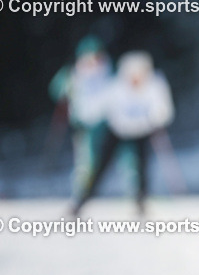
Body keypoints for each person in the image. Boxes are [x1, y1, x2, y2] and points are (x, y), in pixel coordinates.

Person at [73, 51, 174, 214]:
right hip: (118, 130)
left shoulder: (154, 84)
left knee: (141, 167)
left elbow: (163, 109)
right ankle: (82, 199)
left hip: (142, 130)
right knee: (100, 166)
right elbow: (96, 107)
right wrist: (81, 115)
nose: (135, 78)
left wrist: (155, 119)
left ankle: (141, 201)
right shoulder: (116, 87)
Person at [49, 36, 114, 196]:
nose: (93, 60)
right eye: (89, 56)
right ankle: (82, 193)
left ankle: (134, 191)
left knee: (118, 158)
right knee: (86, 161)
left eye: (96, 56)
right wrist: (63, 88)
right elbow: (56, 90)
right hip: (84, 123)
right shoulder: (73, 74)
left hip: (109, 122)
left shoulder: (109, 70)